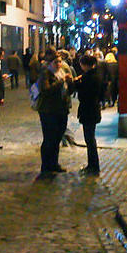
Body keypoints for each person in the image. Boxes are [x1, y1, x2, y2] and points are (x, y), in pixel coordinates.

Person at [35, 49, 72, 180]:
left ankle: (54, 163)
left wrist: (71, 82)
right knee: (49, 138)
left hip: (62, 110)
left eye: (60, 61)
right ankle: (46, 166)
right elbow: (46, 90)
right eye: (56, 62)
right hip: (48, 111)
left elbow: (68, 91)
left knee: (57, 138)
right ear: (50, 63)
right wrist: (61, 81)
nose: (59, 64)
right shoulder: (46, 73)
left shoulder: (62, 72)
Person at [76, 54, 101, 175]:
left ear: (85, 65)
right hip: (94, 110)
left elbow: (83, 94)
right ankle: (93, 164)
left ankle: (93, 165)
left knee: (89, 139)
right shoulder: (95, 75)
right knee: (91, 138)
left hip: (88, 111)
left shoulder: (87, 78)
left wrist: (77, 84)